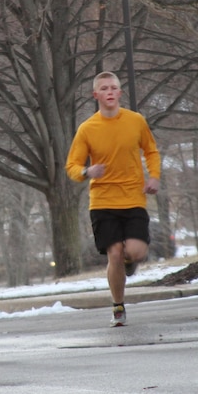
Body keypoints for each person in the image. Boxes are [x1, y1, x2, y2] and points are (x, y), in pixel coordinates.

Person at [66, 71, 161, 327]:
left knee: (136, 252)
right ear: (95, 95)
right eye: (104, 88)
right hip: (103, 201)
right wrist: (87, 171)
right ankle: (118, 306)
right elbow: (72, 166)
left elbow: (151, 151)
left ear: (119, 93)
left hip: (133, 197)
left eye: (113, 88)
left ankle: (130, 263)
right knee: (115, 253)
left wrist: (154, 177)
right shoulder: (87, 128)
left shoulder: (135, 121)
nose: (109, 92)